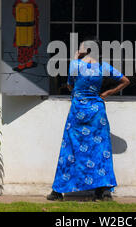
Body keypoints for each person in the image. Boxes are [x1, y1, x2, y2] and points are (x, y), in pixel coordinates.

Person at [47, 37, 130, 201]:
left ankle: (58, 191)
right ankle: (103, 191)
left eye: (81, 46)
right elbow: (125, 81)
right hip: (96, 112)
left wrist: (75, 58)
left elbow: (70, 85)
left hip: (78, 111)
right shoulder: (104, 67)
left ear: (87, 49)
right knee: (101, 150)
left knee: (70, 148)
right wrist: (107, 93)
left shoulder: (75, 65)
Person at [12, 0, 41, 72]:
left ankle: (22, 64)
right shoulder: (32, 2)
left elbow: (14, 13)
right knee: (30, 45)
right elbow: (37, 14)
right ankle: (27, 62)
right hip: (30, 28)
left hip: (20, 27)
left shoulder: (17, 2)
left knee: (21, 46)